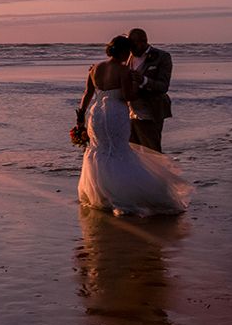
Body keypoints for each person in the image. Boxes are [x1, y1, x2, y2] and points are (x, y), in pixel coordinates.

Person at [76, 35, 191, 216]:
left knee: (101, 150)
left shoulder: (95, 68)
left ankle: (101, 194)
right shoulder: (123, 71)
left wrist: (80, 117)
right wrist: (136, 82)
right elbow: (128, 96)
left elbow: (86, 94)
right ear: (123, 52)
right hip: (115, 112)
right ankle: (125, 193)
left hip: (96, 114)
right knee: (119, 150)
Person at [126, 28, 172, 153]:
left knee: (152, 151)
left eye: (133, 44)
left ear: (143, 41)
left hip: (151, 111)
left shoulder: (162, 57)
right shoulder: (126, 57)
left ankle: (157, 172)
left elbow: (163, 86)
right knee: (131, 152)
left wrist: (143, 80)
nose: (131, 48)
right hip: (129, 112)